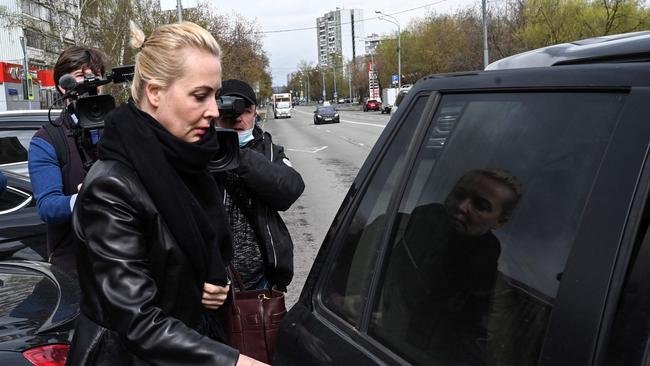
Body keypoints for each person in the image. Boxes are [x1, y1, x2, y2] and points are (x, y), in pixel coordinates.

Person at [66, 22, 267, 366]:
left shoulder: (186, 159)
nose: (215, 111)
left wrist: (213, 286)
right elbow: (136, 319)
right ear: (155, 93)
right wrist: (234, 362)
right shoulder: (112, 187)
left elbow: (186, 261)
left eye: (215, 96)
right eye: (200, 96)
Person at [383, 168, 522, 364]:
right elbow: (360, 261)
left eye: (480, 205)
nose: (462, 206)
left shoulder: (490, 289)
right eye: (460, 194)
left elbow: (468, 349)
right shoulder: (409, 224)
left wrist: (388, 325)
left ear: (499, 222)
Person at [214, 79, 304, 292]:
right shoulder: (199, 149)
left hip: (260, 283)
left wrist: (236, 153)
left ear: (255, 113)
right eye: (229, 109)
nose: (238, 117)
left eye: (245, 110)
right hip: (210, 285)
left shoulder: (269, 151)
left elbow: (290, 189)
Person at [28, 46, 109, 267]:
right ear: (62, 87)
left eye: (95, 76)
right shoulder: (46, 139)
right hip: (74, 263)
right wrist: (82, 199)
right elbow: (47, 206)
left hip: (122, 257)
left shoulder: (119, 128)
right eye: (81, 76)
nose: (90, 83)